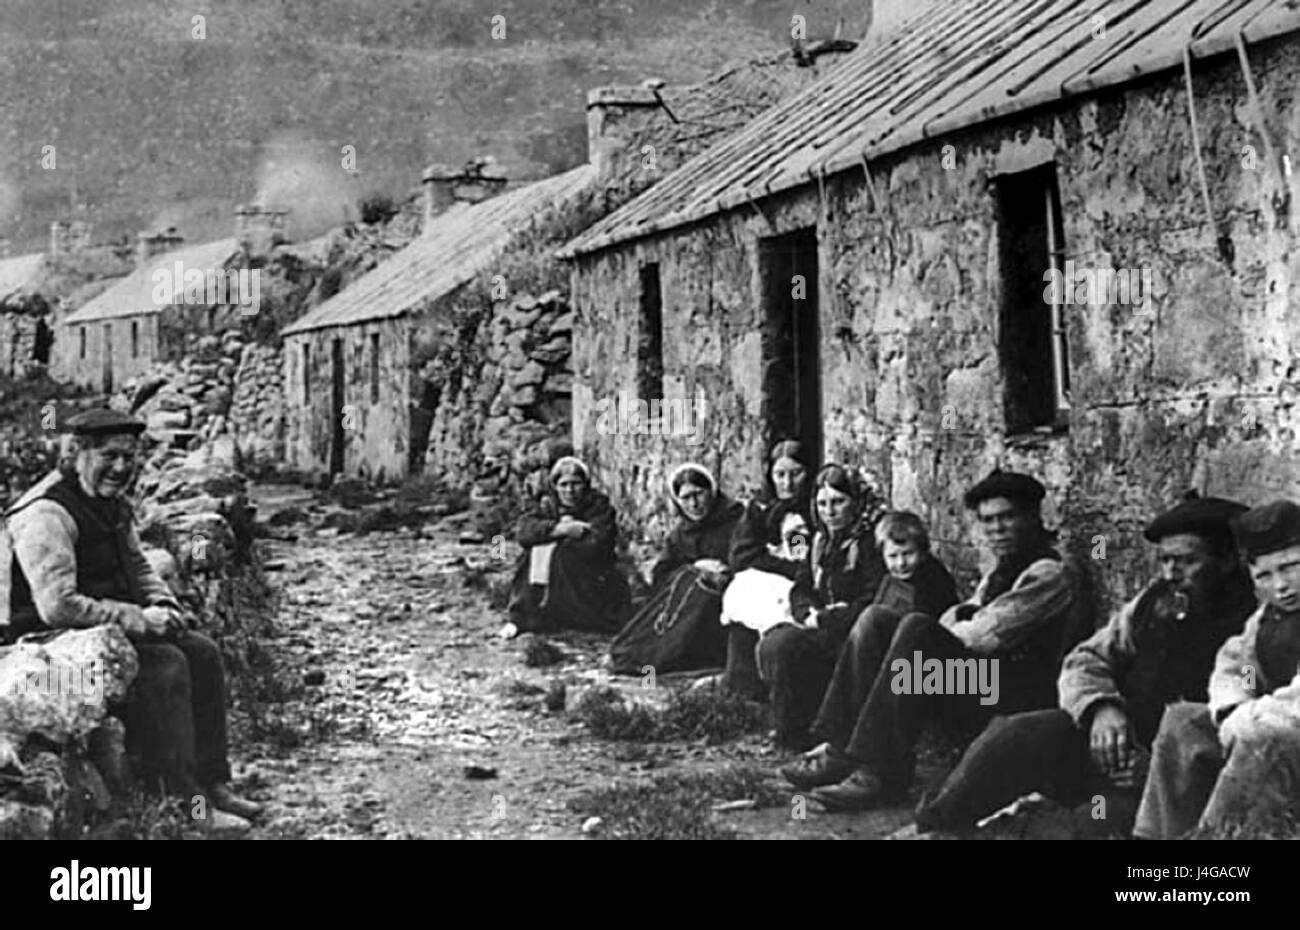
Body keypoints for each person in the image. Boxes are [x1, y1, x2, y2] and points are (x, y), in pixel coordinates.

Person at [913, 494, 1256, 835]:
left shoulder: (1254, 630)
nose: (1169, 573)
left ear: (1227, 561)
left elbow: (1248, 729)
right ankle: (937, 826)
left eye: (1185, 561)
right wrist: (1101, 708)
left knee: (1084, 824)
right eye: (1164, 560)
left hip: (1163, 791)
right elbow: (1087, 658)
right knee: (1014, 735)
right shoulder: (1153, 604)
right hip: (1106, 748)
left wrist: (1162, 767)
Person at [2, 408, 261, 822]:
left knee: (203, 651)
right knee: (165, 665)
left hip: (104, 628)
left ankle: (214, 784)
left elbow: (139, 565)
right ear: (77, 453)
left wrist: (163, 605)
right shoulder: (46, 513)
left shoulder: (110, 502)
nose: (121, 467)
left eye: (129, 457)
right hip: (50, 642)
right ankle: (188, 806)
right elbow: (57, 606)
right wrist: (140, 620)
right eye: (108, 456)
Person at [786, 469, 1085, 812]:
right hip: (979, 678)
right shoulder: (1004, 567)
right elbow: (966, 609)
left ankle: (881, 772)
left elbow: (987, 633)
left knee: (915, 628)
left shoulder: (1049, 572)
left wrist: (930, 633)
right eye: (988, 521)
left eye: (1007, 517)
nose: (997, 529)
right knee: (876, 618)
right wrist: (946, 623)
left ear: (1032, 517)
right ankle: (840, 748)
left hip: (1010, 691)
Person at [1135, 499, 1300, 838]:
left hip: (1283, 729)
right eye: (1265, 575)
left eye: (1291, 567)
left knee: (1262, 739)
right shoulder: (1268, 618)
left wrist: (1248, 717)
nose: (1281, 585)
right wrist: (1233, 706)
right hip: (1264, 726)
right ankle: (1157, 837)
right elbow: (1240, 666)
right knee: (1182, 722)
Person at [756, 464, 887, 751]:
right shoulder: (820, 541)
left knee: (787, 644)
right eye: (823, 503)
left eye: (839, 502)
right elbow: (802, 587)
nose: (830, 511)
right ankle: (789, 731)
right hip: (822, 626)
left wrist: (830, 617)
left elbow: (876, 596)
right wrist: (806, 612)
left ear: (855, 502)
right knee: (776, 641)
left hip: (855, 635)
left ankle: (825, 735)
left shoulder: (869, 543)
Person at [699, 440, 812, 698]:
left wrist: (767, 560)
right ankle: (742, 683)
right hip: (763, 580)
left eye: (796, 474)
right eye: (780, 475)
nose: (788, 483)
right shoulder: (761, 508)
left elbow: (801, 562)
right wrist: (768, 562)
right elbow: (741, 555)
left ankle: (773, 685)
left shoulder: (810, 512)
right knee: (743, 590)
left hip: (796, 583)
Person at [609, 463, 744, 674]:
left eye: (699, 494)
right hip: (688, 603)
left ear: (712, 492)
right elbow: (661, 574)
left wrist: (722, 571)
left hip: (724, 600)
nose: (694, 504)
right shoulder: (680, 533)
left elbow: (747, 558)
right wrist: (695, 568)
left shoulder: (737, 520)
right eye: (685, 498)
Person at [502, 455, 630, 638]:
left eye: (575, 483)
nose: (570, 491)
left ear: (585, 484)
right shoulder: (548, 505)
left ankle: (573, 617)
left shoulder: (598, 505)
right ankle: (522, 617)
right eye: (563, 484)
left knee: (559, 554)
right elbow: (523, 532)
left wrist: (557, 542)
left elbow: (597, 544)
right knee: (533, 554)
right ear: (555, 486)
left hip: (590, 577)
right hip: (558, 577)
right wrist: (560, 530)